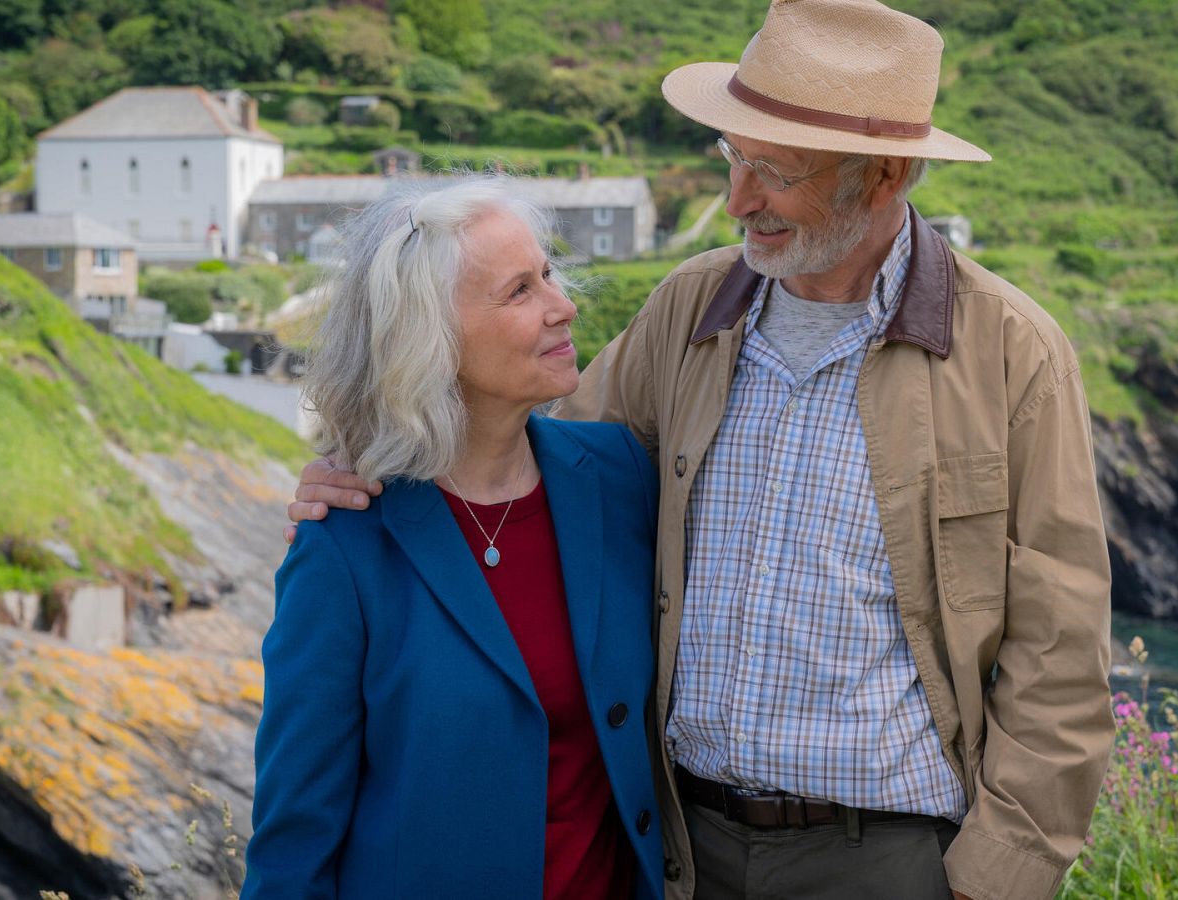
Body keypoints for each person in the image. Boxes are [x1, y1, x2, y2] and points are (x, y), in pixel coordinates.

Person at [286, 1, 1115, 898]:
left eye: (773, 171)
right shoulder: (687, 312)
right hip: (679, 851)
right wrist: (364, 471)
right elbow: (520, 463)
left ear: (883, 176)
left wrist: (991, 883)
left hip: (886, 863)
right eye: (732, 156)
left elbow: (1061, 657)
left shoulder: (1012, 353)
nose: (737, 200)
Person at [244, 177, 664, 900]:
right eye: (519, 291)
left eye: (550, 274)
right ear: (428, 337)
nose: (563, 306)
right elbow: (293, 846)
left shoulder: (620, 479)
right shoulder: (344, 546)